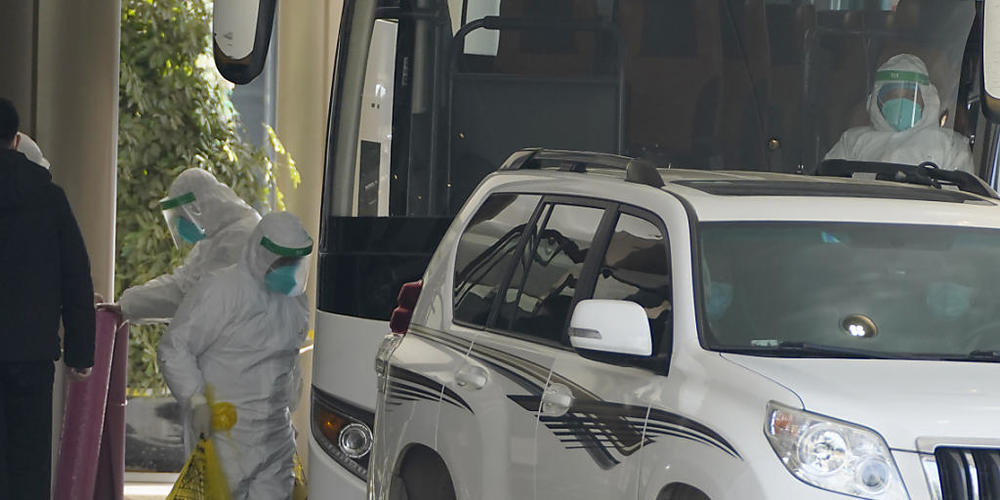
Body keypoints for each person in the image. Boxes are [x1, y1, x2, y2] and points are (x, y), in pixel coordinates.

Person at [158, 212, 312, 499]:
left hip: (275, 433)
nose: (288, 269)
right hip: (224, 432)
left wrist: (290, 401)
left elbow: (290, 360)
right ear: (260, 252)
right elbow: (175, 347)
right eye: (282, 260)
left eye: (294, 261)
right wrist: (195, 400)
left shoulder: (295, 301)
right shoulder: (221, 290)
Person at [0, 97, 95, 499]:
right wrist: (80, 353)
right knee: (29, 463)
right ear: (17, 140)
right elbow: (76, 275)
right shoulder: (49, 198)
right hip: (31, 355)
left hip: (28, 350)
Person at [99, 167, 260, 322]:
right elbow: (182, 282)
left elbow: (188, 295)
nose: (180, 224)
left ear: (197, 207)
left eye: (182, 215)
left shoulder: (241, 236)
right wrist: (126, 306)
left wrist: (128, 306)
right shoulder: (215, 237)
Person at [825, 53, 974, 173]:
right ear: (876, 101)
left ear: (928, 100)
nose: (901, 102)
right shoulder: (853, 142)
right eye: (892, 96)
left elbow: (958, 200)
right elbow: (829, 187)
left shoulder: (950, 145)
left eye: (910, 95)